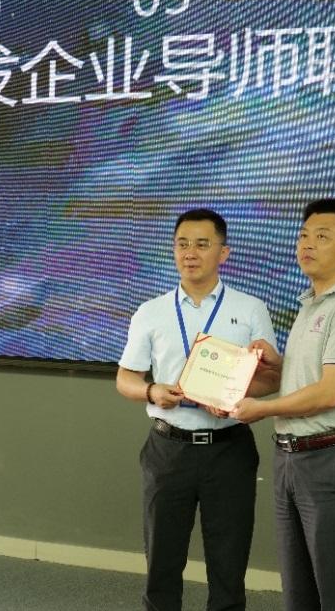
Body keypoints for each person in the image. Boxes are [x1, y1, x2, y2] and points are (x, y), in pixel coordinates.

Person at [116, 208, 278, 611]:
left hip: (229, 449)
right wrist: (152, 391)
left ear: (223, 253)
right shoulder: (150, 312)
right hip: (168, 449)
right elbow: (125, 379)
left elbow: (271, 379)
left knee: (229, 561)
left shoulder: (251, 308)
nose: (190, 253)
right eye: (182, 244)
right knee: (162, 560)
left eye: (202, 244)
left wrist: (236, 396)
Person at [230, 198, 335, 611]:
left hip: (330, 458)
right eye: (303, 235)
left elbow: (330, 392)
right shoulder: (311, 304)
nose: (307, 244)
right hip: (290, 458)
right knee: (298, 589)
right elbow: (308, 378)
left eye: (322, 236)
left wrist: (261, 409)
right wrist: (276, 365)